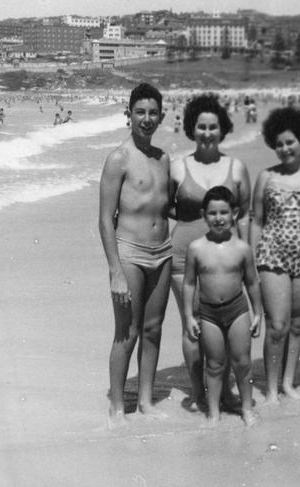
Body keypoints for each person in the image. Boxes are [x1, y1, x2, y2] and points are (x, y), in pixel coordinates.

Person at [169, 93, 252, 412]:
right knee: (192, 327)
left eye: (213, 127)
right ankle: (198, 392)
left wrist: (246, 256)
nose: (206, 133)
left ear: (222, 129)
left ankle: (226, 392)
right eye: (201, 127)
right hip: (183, 259)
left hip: (228, 261)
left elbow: (243, 213)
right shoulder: (178, 167)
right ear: (192, 128)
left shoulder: (236, 167)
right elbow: (166, 206)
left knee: (228, 324)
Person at [98, 83, 172, 426]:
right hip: (130, 253)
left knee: (154, 329)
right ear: (129, 115)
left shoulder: (163, 158)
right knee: (127, 332)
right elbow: (104, 219)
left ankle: (145, 400)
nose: (147, 119)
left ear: (161, 115)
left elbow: (163, 206)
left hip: (163, 252)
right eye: (140, 112)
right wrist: (115, 270)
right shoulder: (118, 159)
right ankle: (116, 405)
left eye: (152, 112)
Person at [251, 106, 300, 404]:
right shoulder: (266, 177)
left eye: (291, 142)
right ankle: (271, 389)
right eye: (280, 143)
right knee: (277, 326)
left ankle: (287, 383)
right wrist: (252, 263)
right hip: (272, 257)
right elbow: (257, 221)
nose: (285, 148)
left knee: (297, 325)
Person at [182, 186, 262, 426]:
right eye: (213, 213)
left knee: (242, 362)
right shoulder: (196, 248)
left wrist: (258, 312)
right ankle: (214, 412)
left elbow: (252, 282)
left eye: (224, 212)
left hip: (237, 310)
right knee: (215, 365)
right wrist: (188, 315)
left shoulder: (242, 248)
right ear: (203, 215)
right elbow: (188, 283)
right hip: (208, 314)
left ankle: (247, 408)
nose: (218, 218)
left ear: (235, 213)